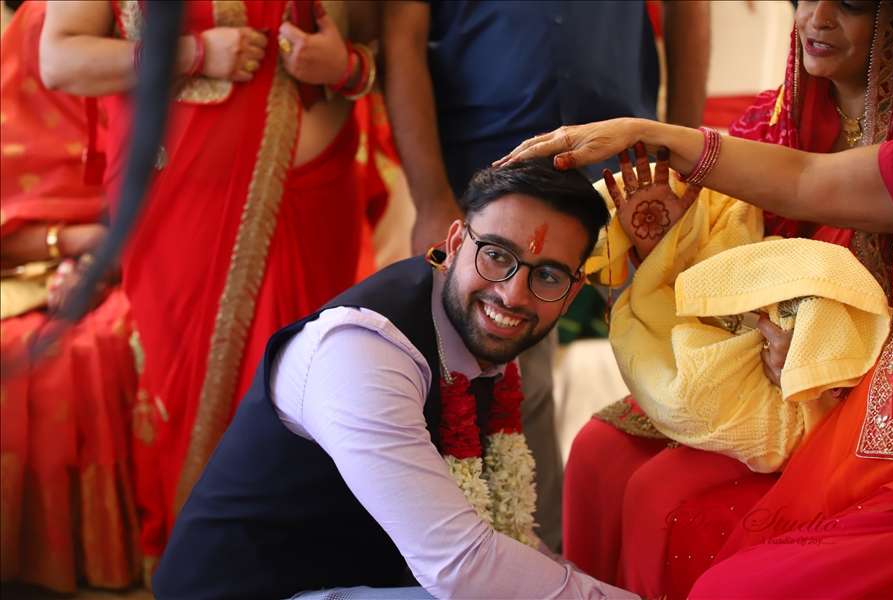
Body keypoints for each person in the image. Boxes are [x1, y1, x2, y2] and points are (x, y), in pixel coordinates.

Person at [502, 1, 893, 595]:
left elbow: (805, 184)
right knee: (597, 451)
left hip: (851, 379)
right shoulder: (776, 119)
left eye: (849, 5)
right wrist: (666, 243)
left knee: (658, 494)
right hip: (753, 360)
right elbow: (730, 258)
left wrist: (817, 355)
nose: (817, 18)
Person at [150, 158, 644, 600]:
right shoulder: (364, 351)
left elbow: (496, 540)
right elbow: (461, 565)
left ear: (572, 291)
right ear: (455, 243)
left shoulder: (488, 345)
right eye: (496, 254)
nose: (513, 294)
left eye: (548, 276)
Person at [40, 0, 380, 579]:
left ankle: (293, 577)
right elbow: (59, 60)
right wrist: (191, 53)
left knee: (308, 388)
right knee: (185, 383)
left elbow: (378, 45)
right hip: (178, 198)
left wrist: (346, 67)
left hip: (317, 197)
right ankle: (201, 575)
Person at [383, 0, 710, 550]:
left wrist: (680, 151)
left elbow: (688, 11)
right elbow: (402, 36)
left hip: (627, 168)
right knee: (506, 393)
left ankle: (681, 551)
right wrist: (430, 195)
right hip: (489, 169)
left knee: (685, 363)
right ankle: (537, 558)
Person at [0, 0, 139, 592]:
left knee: (91, 351)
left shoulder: (159, 49)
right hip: (31, 260)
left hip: (144, 256)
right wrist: (75, 242)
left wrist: (105, 263)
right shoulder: (27, 46)